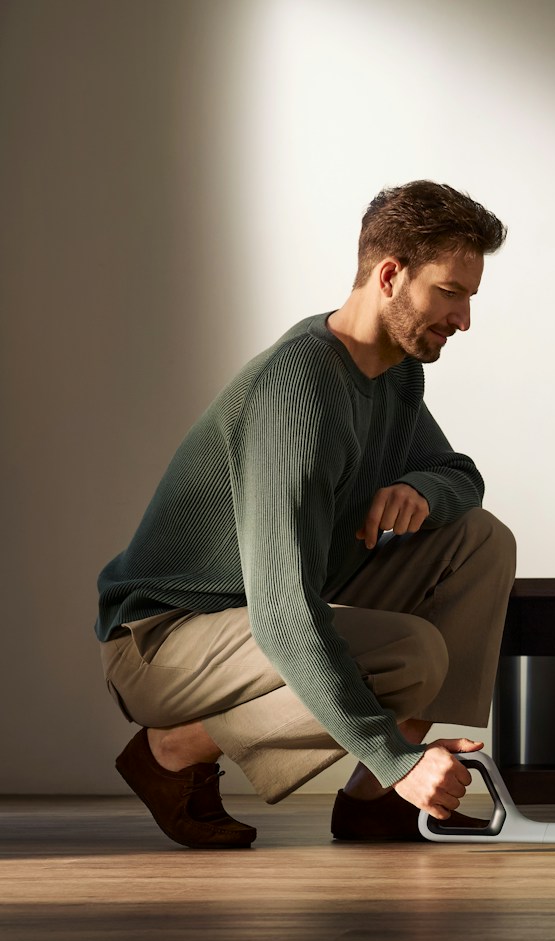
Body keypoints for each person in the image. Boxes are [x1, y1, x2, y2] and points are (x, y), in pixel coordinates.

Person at [94, 180, 516, 849]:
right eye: (450, 292)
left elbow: (461, 477)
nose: (463, 318)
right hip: (165, 640)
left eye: (469, 296)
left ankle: (375, 799)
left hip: (260, 616)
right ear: (389, 275)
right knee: (410, 654)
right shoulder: (300, 391)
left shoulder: (394, 373)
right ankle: (174, 749)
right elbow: (285, 616)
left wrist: (421, 490)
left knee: (478, 539)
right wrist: (392, 752)